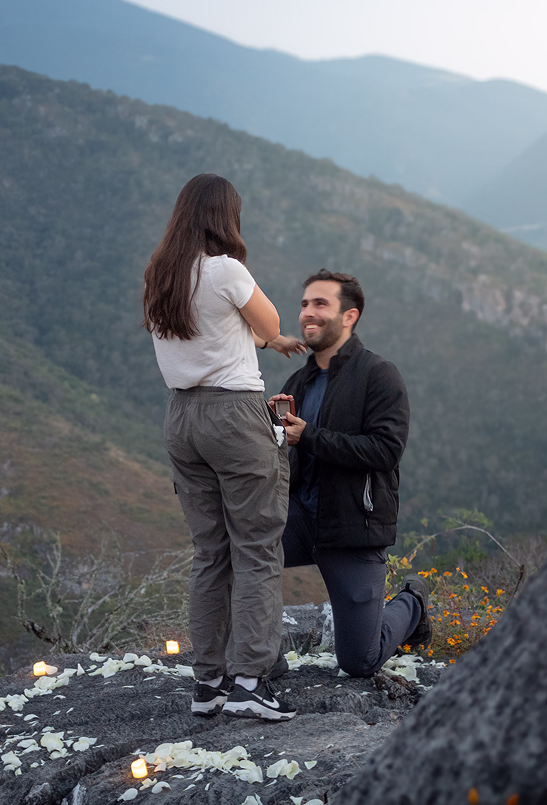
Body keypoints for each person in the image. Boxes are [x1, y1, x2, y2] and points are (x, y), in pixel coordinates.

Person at [143, 173, 299, 721]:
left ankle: (208, 681)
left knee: (210, 551)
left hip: (182, 417)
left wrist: (266, 342)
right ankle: (250, 682)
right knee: (256, 547)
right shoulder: (225, 269)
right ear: (224, 217)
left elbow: (216, 333)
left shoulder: (162, 274)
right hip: (233, 416)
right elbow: (269, 321)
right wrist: (272, 336)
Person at [269, 269, 432, 678]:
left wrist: (309, 436)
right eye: (304, 304)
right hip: (299, 520)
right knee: (238, 556)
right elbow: (289, 454)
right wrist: (272, 429)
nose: (308, 312)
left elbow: (386, 451)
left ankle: (412, 601)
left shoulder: (378, 374)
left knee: (359, 661)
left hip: (353, 528)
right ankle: (262, 660)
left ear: (349, 316)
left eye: (320, 304)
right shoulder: (299, 381)